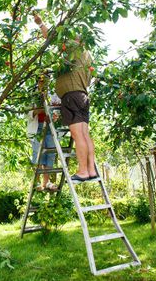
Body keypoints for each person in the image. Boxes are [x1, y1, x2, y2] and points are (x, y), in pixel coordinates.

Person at [34, 13, 98, 184]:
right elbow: (91, 78)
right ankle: (91, 170)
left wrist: (41, 24)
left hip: (71, 96)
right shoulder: (88, 55)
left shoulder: (73, 48)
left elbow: (52, 37)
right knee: (85, 134)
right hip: (83, 96)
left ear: (76, 38)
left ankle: (83, 171)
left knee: (78, 136)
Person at [27, 74, 61, 191]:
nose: (43, 83)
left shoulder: (53, 93)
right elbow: (28, 112)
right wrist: (41, 110)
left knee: (50, 153)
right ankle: (36, 181)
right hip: (37, 128)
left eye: (46, 80)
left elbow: (58, 107)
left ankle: (46, 182)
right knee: (37, 153)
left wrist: (55, 114)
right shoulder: (32, 94)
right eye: (41, 81)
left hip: (50, 127)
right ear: (37, 82)